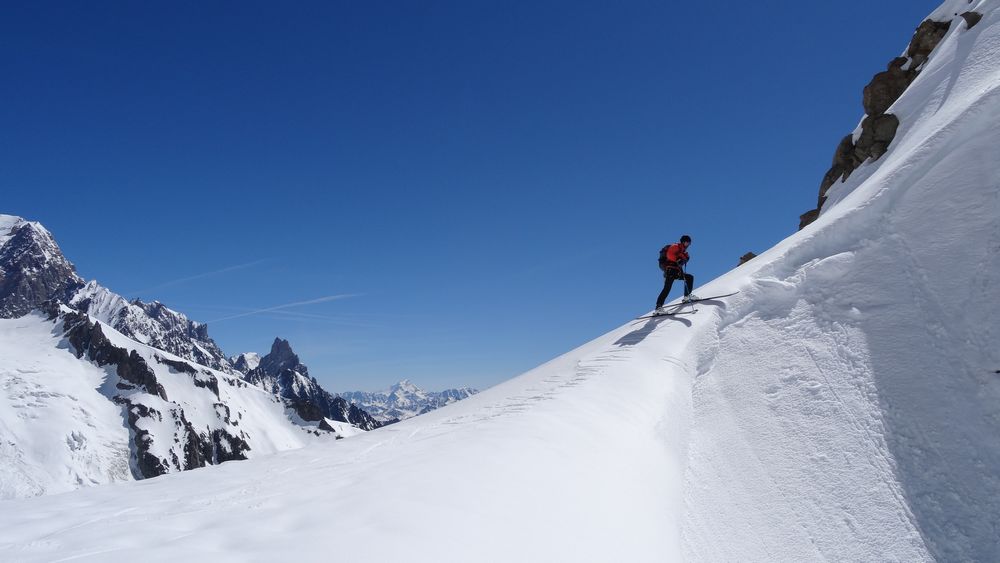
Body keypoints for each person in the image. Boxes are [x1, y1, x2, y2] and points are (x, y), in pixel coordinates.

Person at [656, 235, 697, 310]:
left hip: (676, 271)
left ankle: (687, 296)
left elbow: (681, 261)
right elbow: (670, 255)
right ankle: (658, 307)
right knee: (667, 288)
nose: (688, 245)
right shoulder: (675, 246)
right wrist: (680, 257)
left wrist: (684, 258)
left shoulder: (683, 250)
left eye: (689, 243)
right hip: (670, 271)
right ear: (683, 242)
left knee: (689, 277)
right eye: (687, 243)